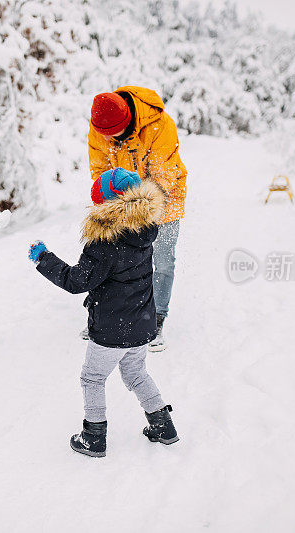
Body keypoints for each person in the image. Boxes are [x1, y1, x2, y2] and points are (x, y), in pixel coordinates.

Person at [28, 168, 180, 458]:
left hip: (112, 328)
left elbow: (76, 282)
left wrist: (44, 259)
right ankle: (163, 426)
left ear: (107, 203)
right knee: (136, 374)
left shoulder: (104, 243)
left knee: (92, 378)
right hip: (141, 324)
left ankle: (93, 436)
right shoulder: (144, 232)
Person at [86, 87, 187, 352]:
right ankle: (110, 315)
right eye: (102, 134)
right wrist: (113, 206)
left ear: (126, 121)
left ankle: (155, 318)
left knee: (162, 260)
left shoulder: (159, 124)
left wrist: (139, 209)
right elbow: (100, 170)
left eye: (111, 133)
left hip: (163, 200)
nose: (105, 138)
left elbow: (164, 171)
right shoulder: (100, 128)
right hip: (120, 205)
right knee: (116, 261)